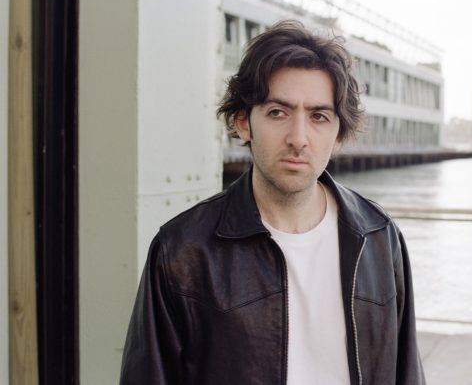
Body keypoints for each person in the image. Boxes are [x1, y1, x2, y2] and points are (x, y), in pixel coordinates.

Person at [120, 20, 426, 385]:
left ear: (338, 133)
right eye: (278, 112)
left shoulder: (378, 236)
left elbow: (406, 371)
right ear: (243, 123)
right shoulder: (182, 251)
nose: (299, 138)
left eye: (318, 116)